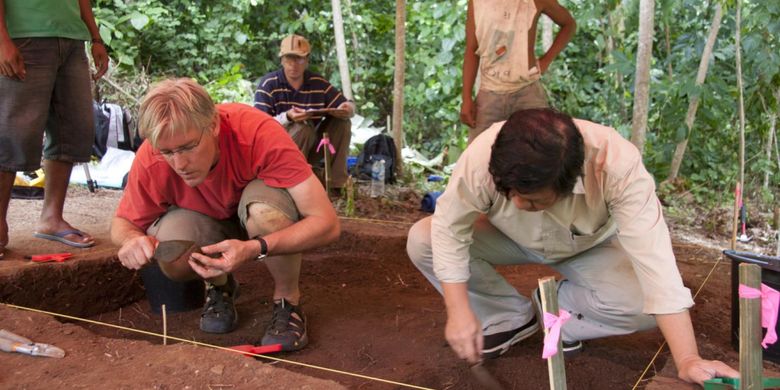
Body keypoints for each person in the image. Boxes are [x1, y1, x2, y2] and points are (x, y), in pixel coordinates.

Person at [406, 108, 739, 385]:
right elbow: (450, 229)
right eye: (510, 193)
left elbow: (657, 263)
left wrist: (688, 358)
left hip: (589, 245)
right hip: (506, 238)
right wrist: (460, 309)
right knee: (425, 239)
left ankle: (559, 312)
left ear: (569, 181)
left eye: (533, 199)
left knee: (641, 305)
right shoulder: (484, 155)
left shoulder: (616, 166)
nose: (519, 204)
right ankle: (507, 317)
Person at [111, 78, 339, 351]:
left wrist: (255, 248)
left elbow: (326, 223)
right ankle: (220, 286)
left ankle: (288, 300)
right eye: (168, 152)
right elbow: (122, 222)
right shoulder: (151, 155)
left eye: (188, 147)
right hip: (210, 223)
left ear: (214, 125)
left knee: (267, 214)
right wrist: (131, 240)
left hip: (258, 217)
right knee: (170, 241)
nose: (179, 164)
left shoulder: (257, 132)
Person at [0, 0, 108, 259]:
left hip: (72, 38)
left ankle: (52, 218)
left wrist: (95, 38)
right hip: (23, 36)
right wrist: (2, 39)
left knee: (74, 127)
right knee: (14, 133)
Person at [460, 0, 576, 143]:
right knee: (477, 157)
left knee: (541, 154)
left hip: (527, 93)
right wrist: (466, 98)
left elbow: (569, 24)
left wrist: (546, 60)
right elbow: (472, 49)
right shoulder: (477, 2)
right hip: (489, 94)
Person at [254, 34, 355, 194]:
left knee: (342, 123)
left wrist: (347, 108)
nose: (294, 65)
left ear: (307, 60)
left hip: (312, 147)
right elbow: (257, 128)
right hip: (278, 152)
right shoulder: (268, 84)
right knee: (302, 128)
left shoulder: (317, 82)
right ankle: (292, 184)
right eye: (289, 59)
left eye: (299, 59)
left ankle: (336, 185)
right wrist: (287, 117)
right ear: (281, 60)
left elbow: (346, 104)